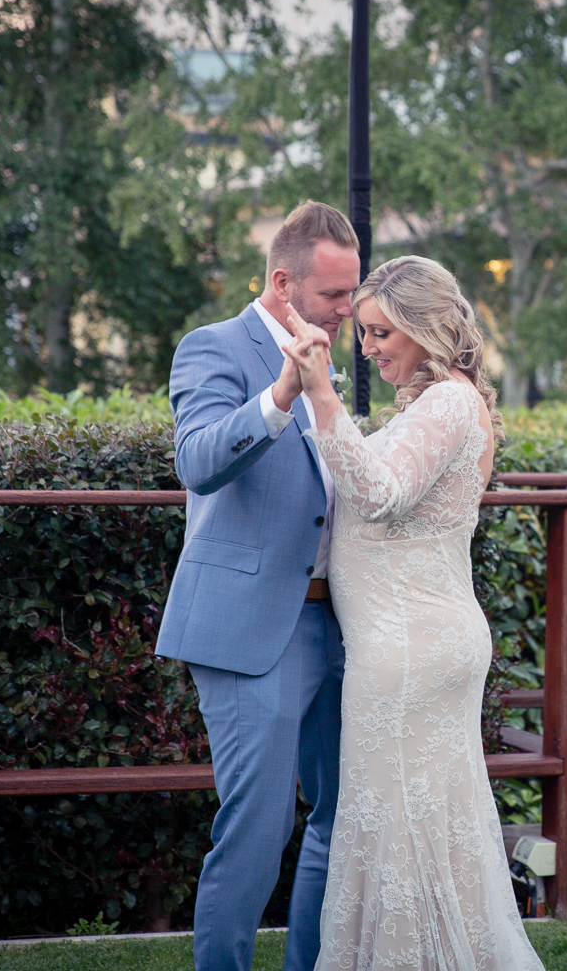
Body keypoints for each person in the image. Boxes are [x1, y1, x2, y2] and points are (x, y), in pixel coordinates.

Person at [280, 256, 545, 971]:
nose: (367, 348)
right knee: (417, 829)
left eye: (380, 332)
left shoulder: (450, 404)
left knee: (397, 830)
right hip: (411, 641)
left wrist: (322, 394)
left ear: (425, 326)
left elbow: (381, 495)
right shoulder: (440, 403)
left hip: (410, 649)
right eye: (362, 332)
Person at [156, 201, 361, 971]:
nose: (348, 309)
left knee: (346, 818)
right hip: (252, 630)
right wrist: (281, 394)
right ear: (282, 283)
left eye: (351, 292)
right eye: (333, 294)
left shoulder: (333, 357)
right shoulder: (211, 347)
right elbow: (199, 462)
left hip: (340, 625)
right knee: (258, 828)